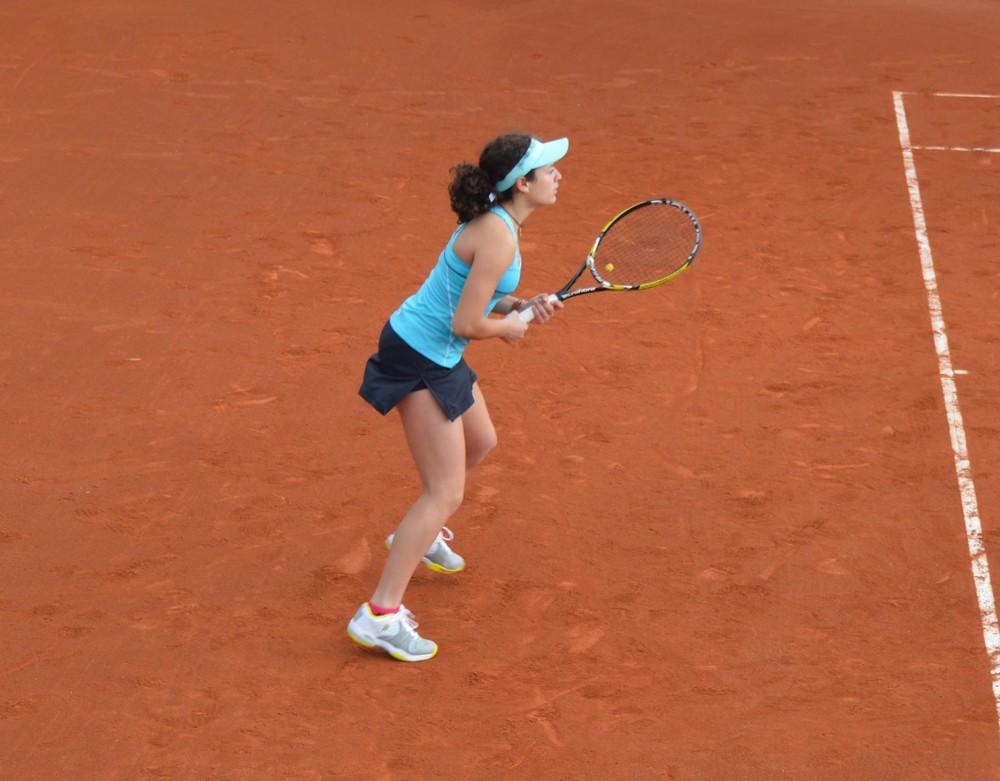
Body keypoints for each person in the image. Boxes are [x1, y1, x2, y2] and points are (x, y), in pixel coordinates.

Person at [346, 132, 569, 661]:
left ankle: (415, 537)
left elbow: (476, 293)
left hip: (434, 351)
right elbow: (467, 321)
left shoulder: (500, 227)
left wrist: (519, 303)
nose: (558, 176)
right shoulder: (498, 236)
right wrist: (509, 329)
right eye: (548, 169)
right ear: (522, 183)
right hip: (418, 354)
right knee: (445, 491)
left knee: (482, 441)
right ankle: (380, 616)